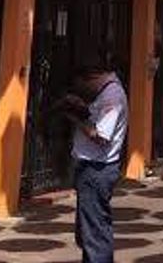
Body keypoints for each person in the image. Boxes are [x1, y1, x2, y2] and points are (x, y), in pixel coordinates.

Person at [56, 59, 128, 263]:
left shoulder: (112, 97)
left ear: (94, 77)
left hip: (97, 169)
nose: (82, 89)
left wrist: (75, 119)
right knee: (87, 232)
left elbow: (101, 136)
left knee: (94, 233)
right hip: (92, 169)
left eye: (82, 84)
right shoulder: (104, 94)